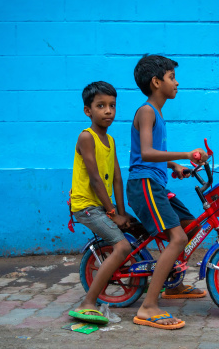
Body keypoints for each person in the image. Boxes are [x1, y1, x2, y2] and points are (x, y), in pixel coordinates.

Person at [127, 54, 209, 330]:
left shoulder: (156, 112)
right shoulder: (147, 111)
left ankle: (173, 284)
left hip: (156, 184)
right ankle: (148, 306)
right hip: (145, 185)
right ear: (156, 82)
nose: (177, 82)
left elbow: (150, 152)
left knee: (189, 227)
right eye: (172, 77)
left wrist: (174, 165)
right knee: (176, 238)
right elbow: (147, 153)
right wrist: (186, 153)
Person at [68, 81, 133, 325]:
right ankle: (87, 303)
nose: (108, 111)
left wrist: (122, 214)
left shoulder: (111, 140)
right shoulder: (87, 137)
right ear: (88, 111)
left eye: (112, 106)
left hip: (101, 205)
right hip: (86, 205)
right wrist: (111, 211)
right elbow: (95, 179)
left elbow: (117, 177)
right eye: (101, 106)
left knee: (133, 229)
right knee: (123, 247)